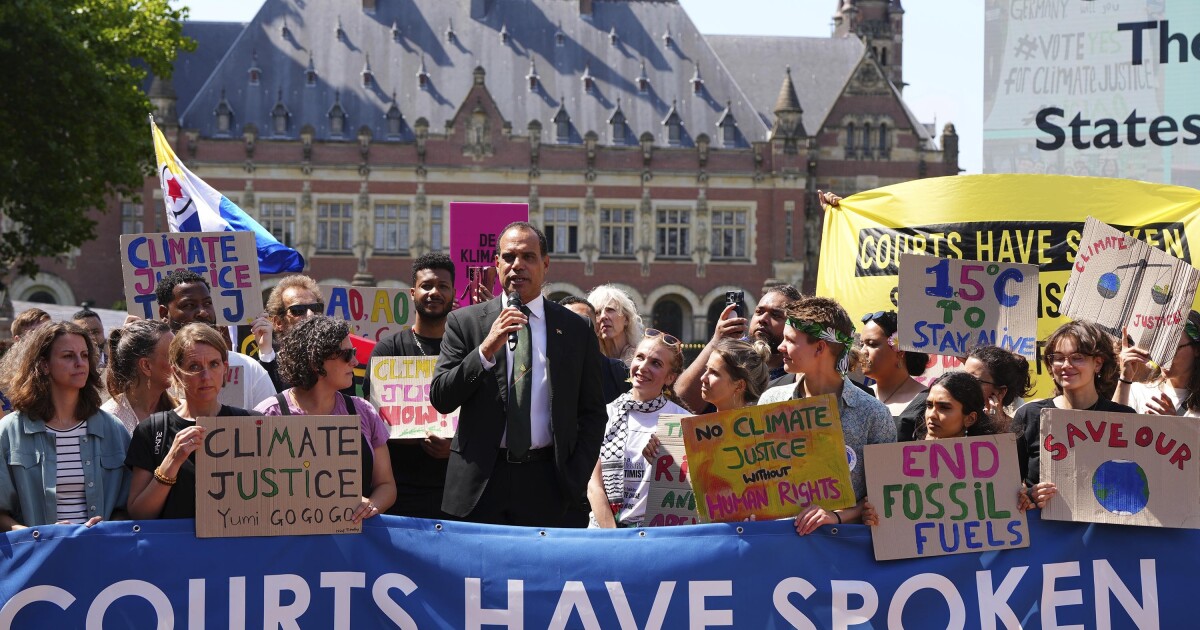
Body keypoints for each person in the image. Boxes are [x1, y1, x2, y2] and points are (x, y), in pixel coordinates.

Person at [431, 221, 606, 526]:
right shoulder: (464, 322)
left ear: (545, 264)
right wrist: (485, 350)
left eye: (528, 257)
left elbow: (592, 412)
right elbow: (442, 397)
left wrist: (574, 477)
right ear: (496, 263)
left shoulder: (576, 330)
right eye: (509, 257)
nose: (517, 266)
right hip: (480, 484)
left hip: (548, 484)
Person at [757, 296, 896, 534]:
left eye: (790, 340)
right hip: (779, 547)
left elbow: (885, 494)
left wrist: (837, 517)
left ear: (820, 347)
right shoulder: (771, 401)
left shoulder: (873, 414)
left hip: (841, 556)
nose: (780, 347)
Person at [255, 316, 395, 521]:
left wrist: (370, 507)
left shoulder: (363, 411)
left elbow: (386, 485)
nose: (355, 362)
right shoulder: (268, 415)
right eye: (347, 355)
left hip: (353, 542)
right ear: (315, 361)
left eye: (354, 353)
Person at [0, 322, 128, 529]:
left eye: (85, 355)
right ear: (44, 365)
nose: (80, 363)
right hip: (39, 556)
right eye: (68, 356)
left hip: (101, 554)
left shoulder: (113, 429)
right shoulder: (9, 431)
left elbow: (131, 505)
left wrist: (107, 526)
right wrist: (40, 536)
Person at [126, 324, 261, 519]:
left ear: (225, 368)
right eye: (194, 367)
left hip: (235, 548)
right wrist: (172, 461)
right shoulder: (152, 431)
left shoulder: (252, 424)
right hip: (177, 548)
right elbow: (139, 514)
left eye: (214, 364)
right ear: (177, 373)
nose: (205, 376)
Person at [364, 252, 456, 519]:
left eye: (443, 286)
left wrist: (454, 447)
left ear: (453, 294)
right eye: (427, 286)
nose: (434, 292)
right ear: (413, 293)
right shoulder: (387, 350)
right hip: (398, 489)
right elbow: (373, 419)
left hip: (453, 492)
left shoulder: (466, 350)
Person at [864, 372, 1023, 524]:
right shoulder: (903, 464)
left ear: (970, 418)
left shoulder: (994, 466)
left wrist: (1022, 500)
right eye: (929, 405)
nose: (932, 414)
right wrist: (872, 514)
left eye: (944, 407)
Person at [587, 329, 690, 528]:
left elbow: (690, 494)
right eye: (640, 358)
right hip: (604, 535)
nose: (643, 367)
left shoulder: (682, 422)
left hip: (656, 538)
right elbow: (594, 485)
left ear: (670, 377)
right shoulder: (605, 415)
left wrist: (666, 465)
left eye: (656, 363)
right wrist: (615, 537)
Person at [1017, 320, 1134, 491]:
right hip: (1041, 518)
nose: (1066, 365)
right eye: (1058, 358)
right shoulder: (1030, 415)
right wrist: (1029, 496)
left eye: (1077, 358)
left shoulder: (1125, 417)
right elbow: (1008, 487)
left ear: (1098, 363)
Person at [154, 269, 276, 410]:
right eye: (189, 305)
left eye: (207, 303)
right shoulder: (153, 373)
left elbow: (272, 425)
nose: (203, 312)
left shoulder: (249, 368)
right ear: (164, 313)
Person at [675, 285, 803, 413]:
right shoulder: (730, 354)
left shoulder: (799, 370)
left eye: (776, 315)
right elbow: (681, 404)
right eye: (759, 311)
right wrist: (717, 341)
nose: (762, 319)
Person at [1115, 311, 1200, 417]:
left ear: (1197, 350)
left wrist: (1176, 426)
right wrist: (1124, 378)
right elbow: (1111, 427)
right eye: (1161, 348)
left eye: (1173, 349)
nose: (1165, 357)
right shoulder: (1137, 391)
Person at [101, 319, 176, 434]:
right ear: (146, 365)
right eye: (172, 356)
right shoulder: (108, 420)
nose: (181, 362)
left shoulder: (181, 408)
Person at [254, 275, 325, 391]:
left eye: (315, 308)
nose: (310, 315)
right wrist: (266, 352)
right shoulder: (266, 364)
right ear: (278, 322)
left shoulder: (337, 360)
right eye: (298, 310)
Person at [558, 295, 631, 405]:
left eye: (583, 321)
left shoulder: (617, 371)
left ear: (597, 330)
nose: (575, 328)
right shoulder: (543, 368)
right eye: (568, 321)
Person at [859, 311, 929, 425]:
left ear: (900, 351)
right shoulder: (856, 396)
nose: (862, 351)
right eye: (862, 344)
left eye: (872, 344)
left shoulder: (927, 401)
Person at [961, 344, 1034, 434]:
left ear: (1000, 391)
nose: (963, 383)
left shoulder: (1019, 433)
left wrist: (996, 426)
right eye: (962, 376)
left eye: (974, 380)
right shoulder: (951, 419)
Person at [587, 284, 644, 367]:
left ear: (626, 319)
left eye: (610, 310)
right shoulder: (592, 361)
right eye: (597, 313)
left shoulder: (641, 360)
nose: (603, 316)